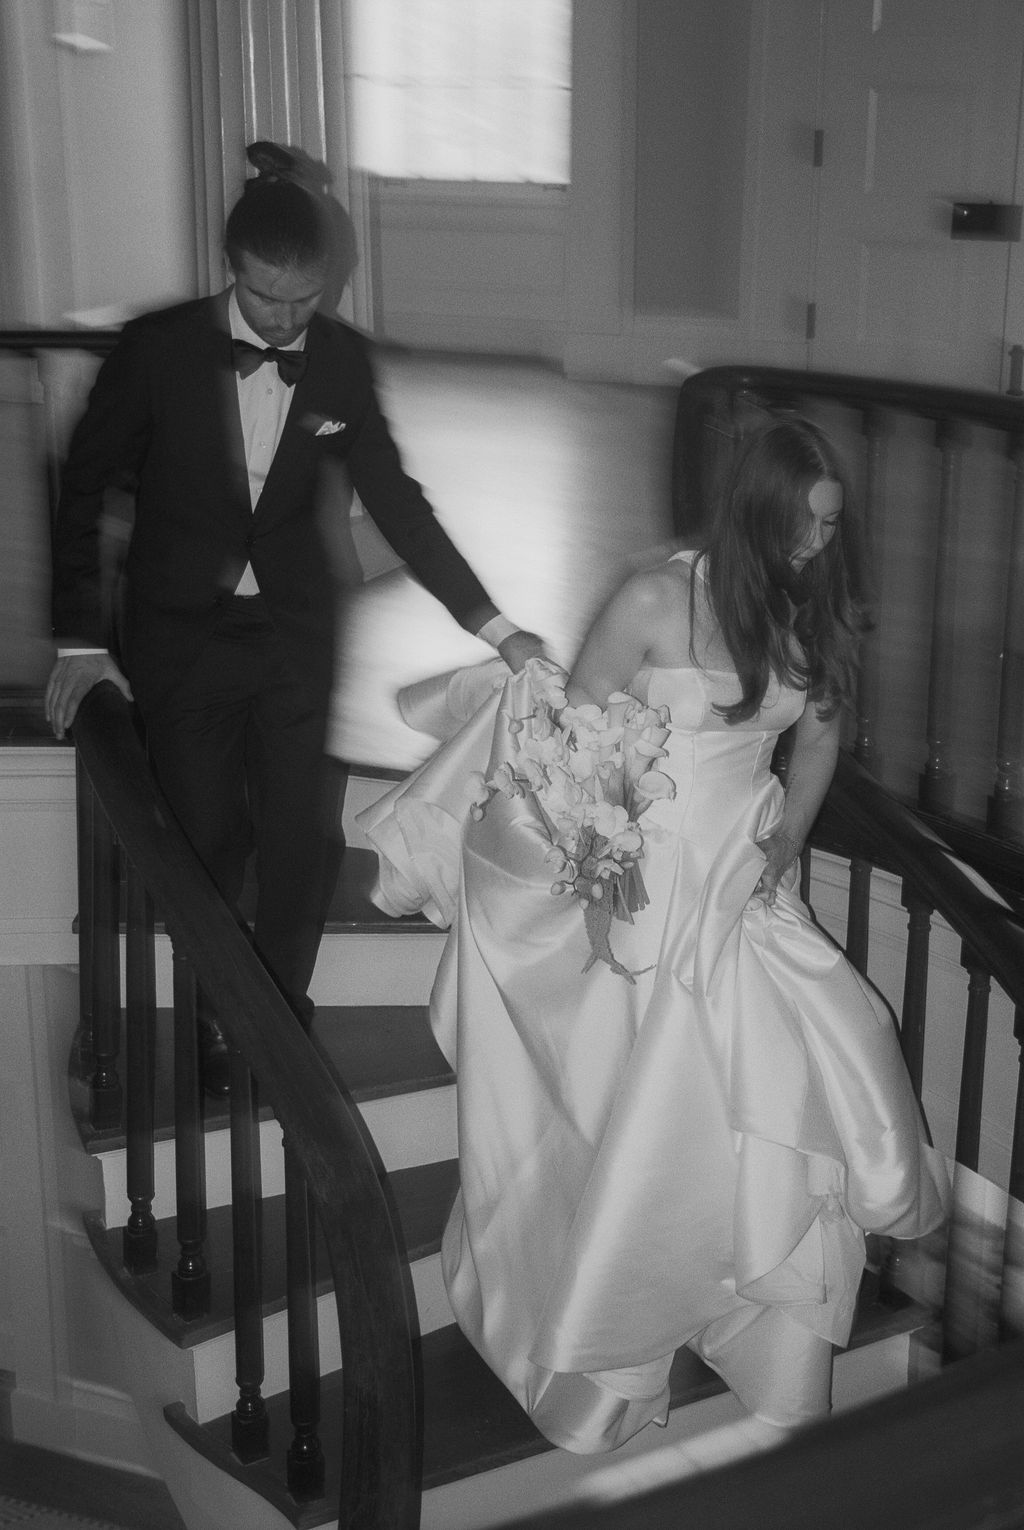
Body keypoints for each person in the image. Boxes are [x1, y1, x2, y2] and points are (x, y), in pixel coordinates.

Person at [359, 416, 948, 1452]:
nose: (816, 546)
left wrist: (788, 839)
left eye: (829, 528)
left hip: (734, 877)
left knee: (766, 1091)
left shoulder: (811, 615)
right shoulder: (650, 600)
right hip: (633, 880)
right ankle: (605, 1313)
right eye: (804, 525)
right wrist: (594, 860)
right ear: (759, 509)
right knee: (625, 1108)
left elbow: (813, 741)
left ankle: (732, 1303)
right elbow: (566, 736)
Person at [45, 155, 541, 1091]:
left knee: (301, 835)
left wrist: (494, 624)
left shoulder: (342, 360)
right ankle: (215, 1008)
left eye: (303, 301)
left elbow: (397, 501)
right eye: (267, 300)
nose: (285, 319)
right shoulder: (157, 350)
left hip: (294, 634)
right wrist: (79, 637)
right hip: (182, 638)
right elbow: (82, 490)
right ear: (233, 267)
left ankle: (271, 1007)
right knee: (204, 837)